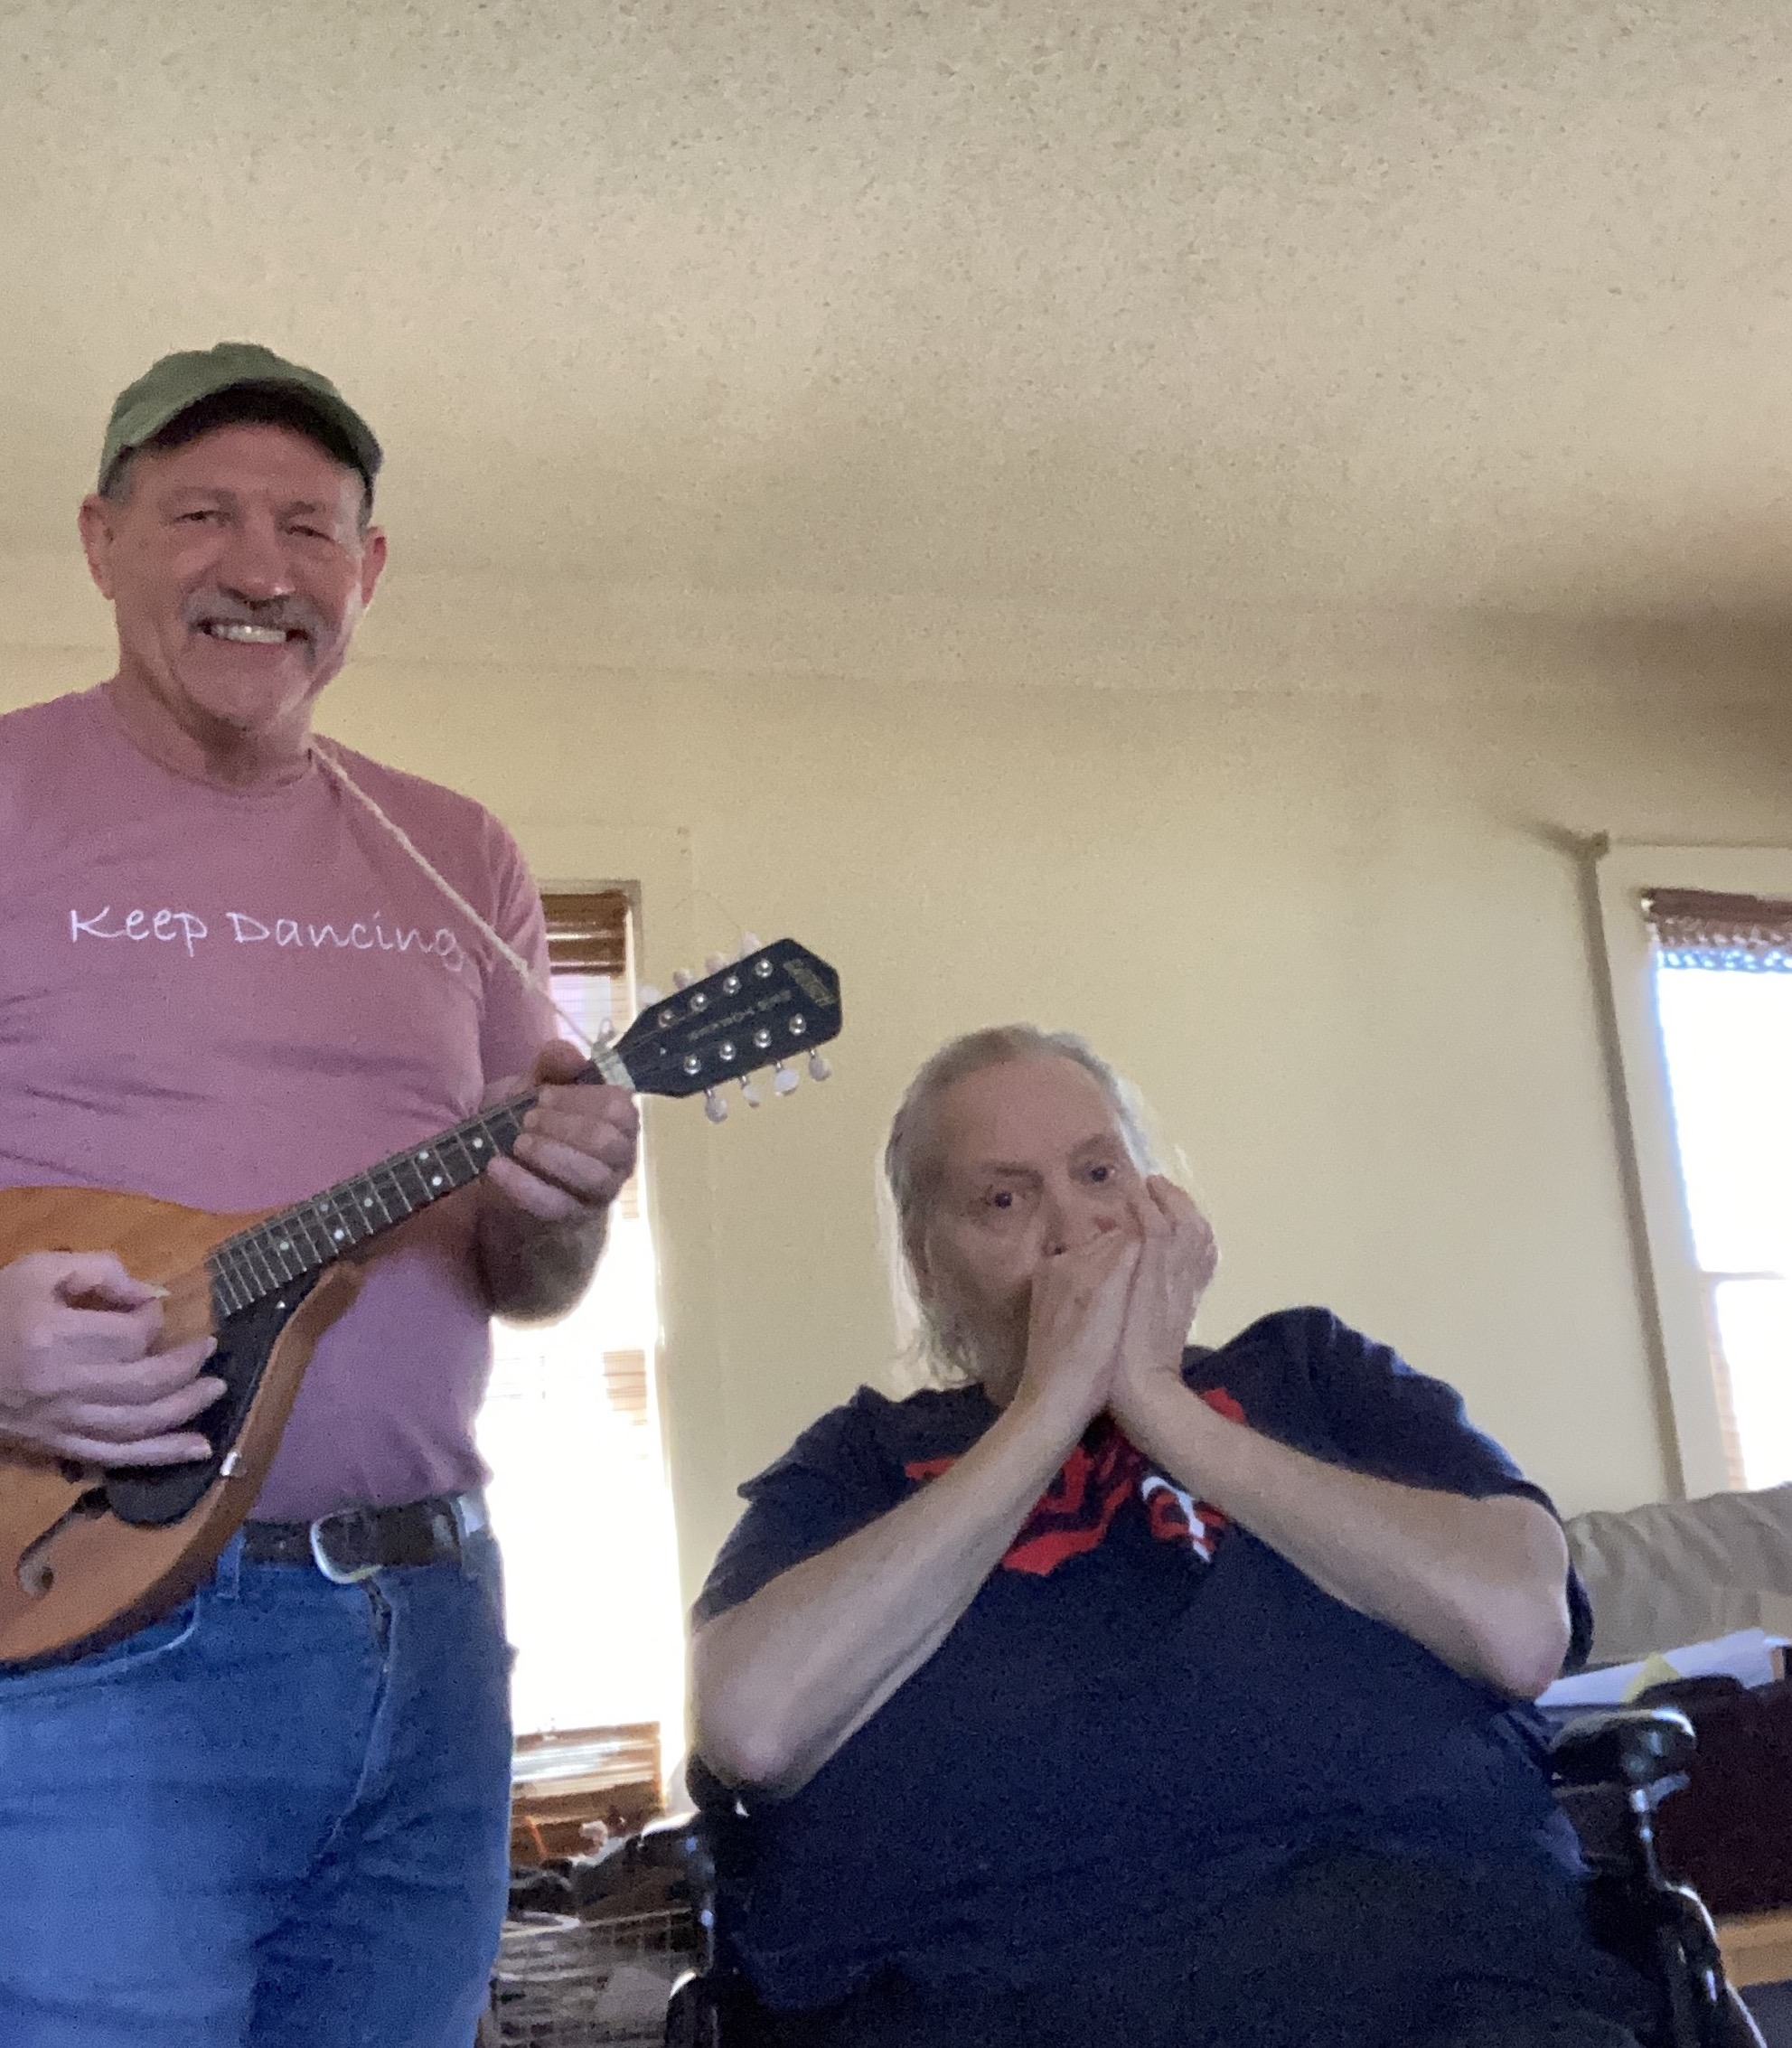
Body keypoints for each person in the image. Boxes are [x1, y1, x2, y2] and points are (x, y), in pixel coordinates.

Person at [0, 343, 640, 2048]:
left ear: (364, 575)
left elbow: (530, 1278)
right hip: (88, 1626)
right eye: (203, 512)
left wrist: (564, 1196)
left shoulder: (456, 852)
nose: (259, 567)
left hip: (433, 1621)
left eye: (309, 526)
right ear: (100, 538)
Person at [689, 1026, 1660, 2048]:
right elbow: (753, 1725)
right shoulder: (859, 1463)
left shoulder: (1313, 1371)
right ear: (928, 1267)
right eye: (1005, 1199)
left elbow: (1516, 1626)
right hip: (986, 2000)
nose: (1074, 1227)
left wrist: (1159, 1403)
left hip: (1444, 1984)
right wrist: (1045, 1411)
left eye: (1099, 1170)